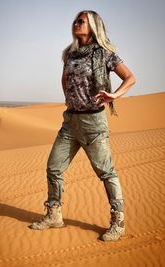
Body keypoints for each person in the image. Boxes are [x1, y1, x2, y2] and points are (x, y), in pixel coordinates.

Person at [29, 10, 135, 241]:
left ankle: (118, 221)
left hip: (93, 123)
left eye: (81, 21)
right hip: (70, 121)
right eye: (75, 20)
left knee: (106, 173)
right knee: (54, 167)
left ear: (93, 26)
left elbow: (130, 78)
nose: (76, 24)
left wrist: (115, 95)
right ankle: (54, 215)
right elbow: (64, 78)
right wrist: (69, 97)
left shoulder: (106, 54)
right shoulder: (70, 53)